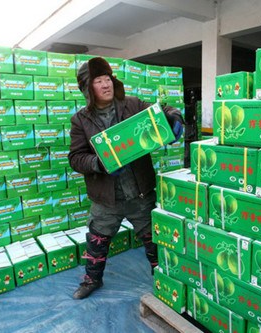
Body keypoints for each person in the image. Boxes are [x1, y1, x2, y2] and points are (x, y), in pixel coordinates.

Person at [69, 57, 183, 299]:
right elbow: (76, 158)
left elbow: (162, 110)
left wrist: (174, 117)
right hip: (106, 197)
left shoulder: (132, 105)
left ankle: (164, 277)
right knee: (97, 241)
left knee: (154, 239)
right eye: (98, 81)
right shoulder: (81, 120)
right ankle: (93, 279)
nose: (105, 84)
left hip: (139, 192)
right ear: (88, 89)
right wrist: (99, 163)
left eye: (107, 79)